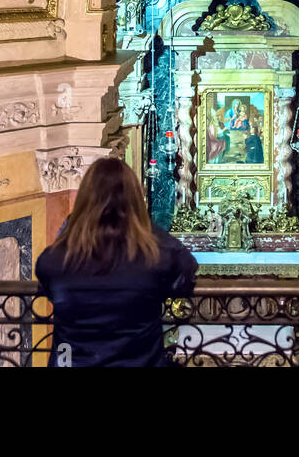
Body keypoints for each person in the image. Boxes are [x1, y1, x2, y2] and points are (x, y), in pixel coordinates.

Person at [35, 157, 198, 367]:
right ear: (136, 199)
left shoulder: (54, 261)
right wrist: (142, 224)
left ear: (85, 200)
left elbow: (48, 287)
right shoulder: (157, 257)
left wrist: (73, 225)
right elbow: (186, 269)